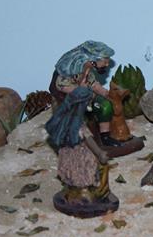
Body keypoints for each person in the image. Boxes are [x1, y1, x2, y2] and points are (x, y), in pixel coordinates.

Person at [44, 87, 118, 216]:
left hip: (67, 152)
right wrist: (99, 153)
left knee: (72, 171)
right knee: (85, 169)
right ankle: (83, 193)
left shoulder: (64, 119)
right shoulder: (78, 124)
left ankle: (74, 189)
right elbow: (88, 139)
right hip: (80, 154)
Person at [49, 40, 122, 147]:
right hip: (68, 99)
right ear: (94, 60)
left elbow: (93, 84)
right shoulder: (69, 71)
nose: (107, 64)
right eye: (105, 61)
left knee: (105, 106)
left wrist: (106, 94)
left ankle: (105, 137)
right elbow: (62, 86)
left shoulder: (87, 69)